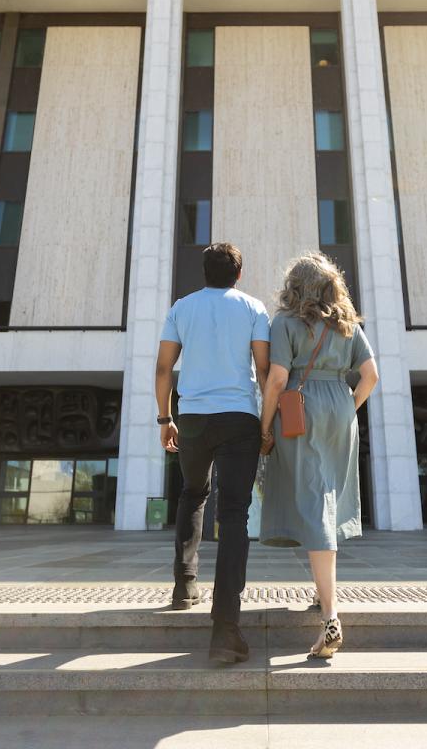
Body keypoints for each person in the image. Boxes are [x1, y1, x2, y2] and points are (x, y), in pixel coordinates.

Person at [259, 253, 378, 660]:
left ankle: (330, 616)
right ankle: (320, 592)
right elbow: (371, 376)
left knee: (313, 501)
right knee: (326, 497)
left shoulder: (285, 323)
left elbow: (276, 379)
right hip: (341, 409)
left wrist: (264, 426)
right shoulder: (346, 324)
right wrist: (347, 408)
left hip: (299, 409)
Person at [155, 243, 270, 664]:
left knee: (192, 493)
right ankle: (225, 629)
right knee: (235, 514)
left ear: (203, 272)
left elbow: (164, 368)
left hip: (196, 419)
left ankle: (184, 586)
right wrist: (267, 422)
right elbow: (262, 370)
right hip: (240, 417)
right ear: (238, 275)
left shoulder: (182, 308)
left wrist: (165, 419)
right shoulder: (254, 308)